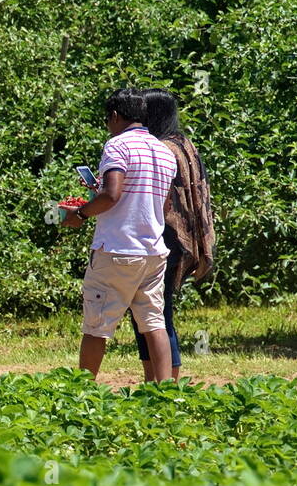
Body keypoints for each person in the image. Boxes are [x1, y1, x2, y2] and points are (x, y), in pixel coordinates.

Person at [63, 88, 177, 381]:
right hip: (153, 252)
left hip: (117, 250)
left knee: (96, 325)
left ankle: (81, 390)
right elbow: (160, 202)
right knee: (154, 324)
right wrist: (100, 193)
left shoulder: (117, 146)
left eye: (107, 118)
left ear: (115, 115)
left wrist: (80, 214)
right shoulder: (165, 151)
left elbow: (112, 195)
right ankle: (164, 393)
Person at [128, 89, 216, 381]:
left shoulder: (160, 148)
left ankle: (159, 380)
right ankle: (162, 379)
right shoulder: (184, 144)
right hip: (181, 239)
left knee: (151, 314)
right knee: (158, 311)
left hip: (162, 238)